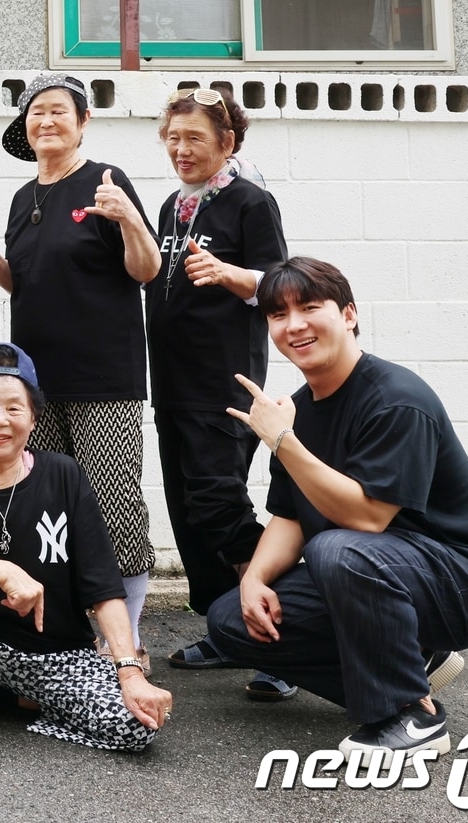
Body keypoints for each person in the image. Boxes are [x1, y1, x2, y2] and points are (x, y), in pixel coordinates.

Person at [207, 257, 468, 755]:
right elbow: (289, 515)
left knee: (337, 547)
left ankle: (409, 715)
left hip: (467, 581)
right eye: (278, 315)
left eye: (310, 307)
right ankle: (407, 668)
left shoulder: (395, 399)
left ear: (349, 314)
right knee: (230, 622)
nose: (295, 325)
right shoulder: (297, 411)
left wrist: (282, 441)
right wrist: (253, 580)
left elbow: (369, 518)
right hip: (380, 570)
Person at [0, 74, 161, 670]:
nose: (45, 122)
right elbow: (21, 280)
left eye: (57, 112)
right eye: (36, 114)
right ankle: (71, 621)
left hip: (104, 375)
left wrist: (128, 220)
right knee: (47, 500)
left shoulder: (106, 182)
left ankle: (126, 638)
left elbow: (145, 270)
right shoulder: (25, 198)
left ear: (82, 121)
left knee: (112, 500)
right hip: (37, 385)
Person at [0, 342, 171, 750]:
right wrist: (3, 570)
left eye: (14, 408)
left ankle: (17, 694)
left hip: (54, 657)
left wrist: (130, 674)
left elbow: (103, 584)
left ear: (34, 418)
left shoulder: (64, 474)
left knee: (137, 725)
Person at [147, 87, 296, 701]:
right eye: (173, 139)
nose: (182, 151)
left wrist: (228, 273)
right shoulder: (169, 207)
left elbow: (280, 282)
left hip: (224, 381)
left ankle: (285, 641)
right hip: (172, 382)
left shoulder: (250, 202)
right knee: (187, 508)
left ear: (227, 143)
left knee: (219, 504)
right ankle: (226, 628)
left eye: (196, 139)